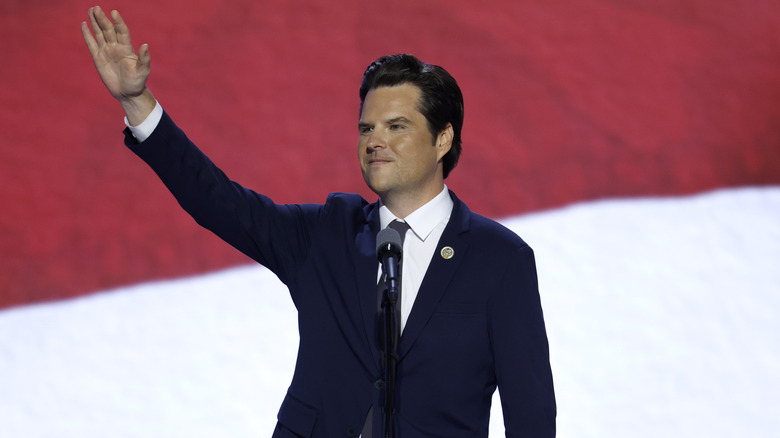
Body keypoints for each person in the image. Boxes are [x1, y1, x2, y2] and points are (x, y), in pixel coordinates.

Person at [81, 6, 556, 437]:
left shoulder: (500, 259)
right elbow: (219, 202)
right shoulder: (327, 234)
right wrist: (138, 104)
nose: (374, 141)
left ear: (443, 139)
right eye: (366, 128)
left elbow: (530, 415)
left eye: (396, 127)